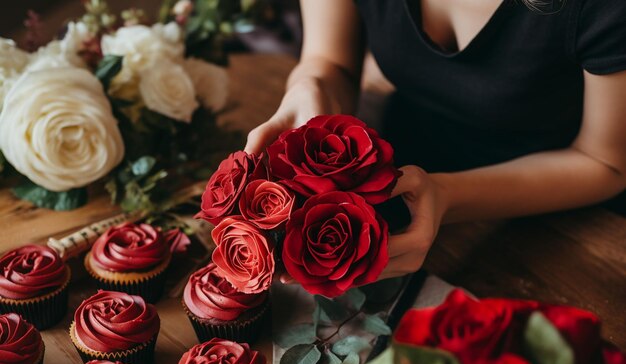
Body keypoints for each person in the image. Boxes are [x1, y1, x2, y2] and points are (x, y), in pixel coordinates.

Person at [244, 0, 626, 280]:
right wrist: (312, 84)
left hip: (565, 211)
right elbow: (331, 61)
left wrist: (447, 196)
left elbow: (604, 162)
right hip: (401, 170)